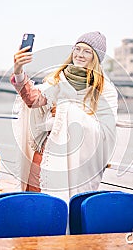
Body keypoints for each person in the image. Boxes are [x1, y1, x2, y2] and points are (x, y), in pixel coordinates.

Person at [11, 31, 117, 201]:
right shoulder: (59, 79)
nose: (80, 55)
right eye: (77, 49)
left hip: (76, 163)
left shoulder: (106, 91)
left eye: (87, 51)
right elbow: (33, 100)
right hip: (45, 154)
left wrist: (63, 110)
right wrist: (18, 70)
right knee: (34, 203)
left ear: (96, 58)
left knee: (60, 210)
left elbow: (105, 133)